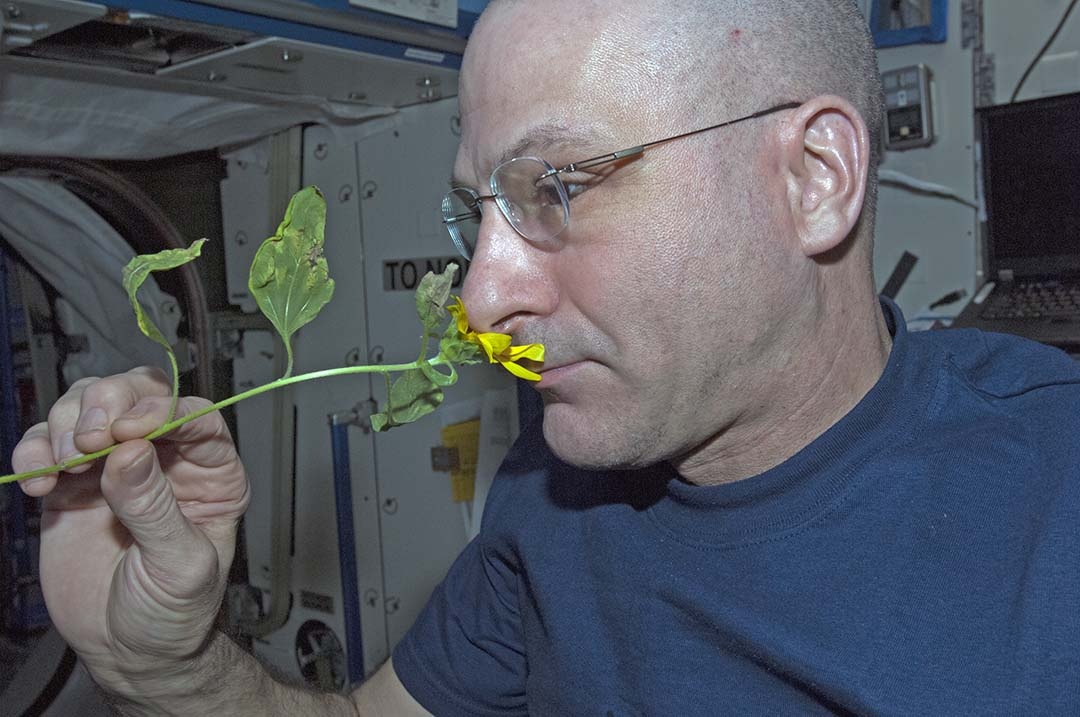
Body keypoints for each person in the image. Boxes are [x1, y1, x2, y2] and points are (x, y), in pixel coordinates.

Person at [11, 0, 1080, 713]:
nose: (482, 299)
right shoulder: (557, 486)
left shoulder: (1055, 502)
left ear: (812, 178)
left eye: (558, 188)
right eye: (474, 213)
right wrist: (166, 661)